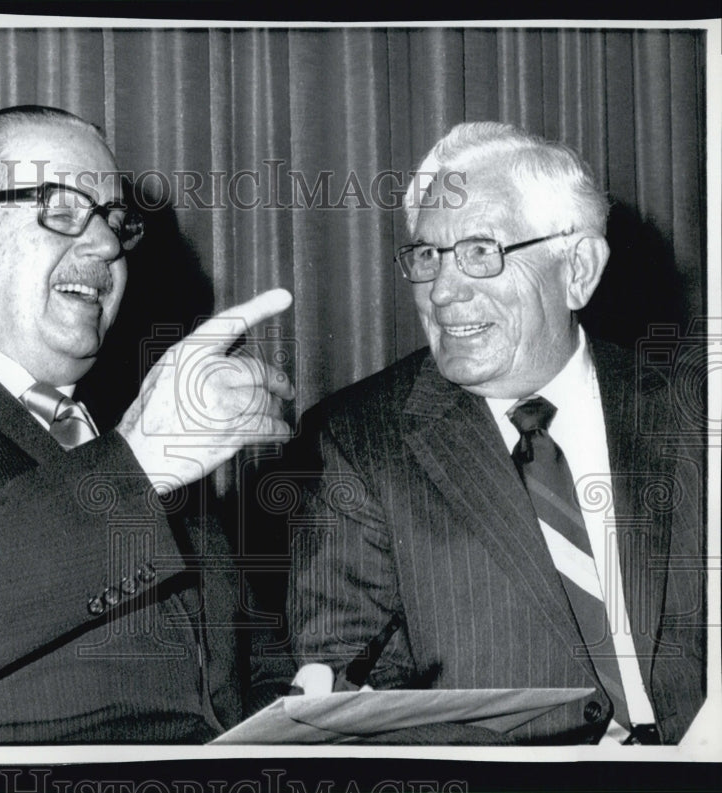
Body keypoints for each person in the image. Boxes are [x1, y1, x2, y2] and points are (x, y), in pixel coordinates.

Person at [0, 105, 295, 743]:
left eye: (114, 221)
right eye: (61, 207)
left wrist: (308, 706)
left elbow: (238, 665)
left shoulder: (143, 423)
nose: (105, 245)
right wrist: (136, 466)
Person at [287, 122, 705, 744]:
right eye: (428, 255)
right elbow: (345, 693)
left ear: (578, 269)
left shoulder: (692, 411)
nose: (444, 291)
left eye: (482, 251)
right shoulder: (356, 440)